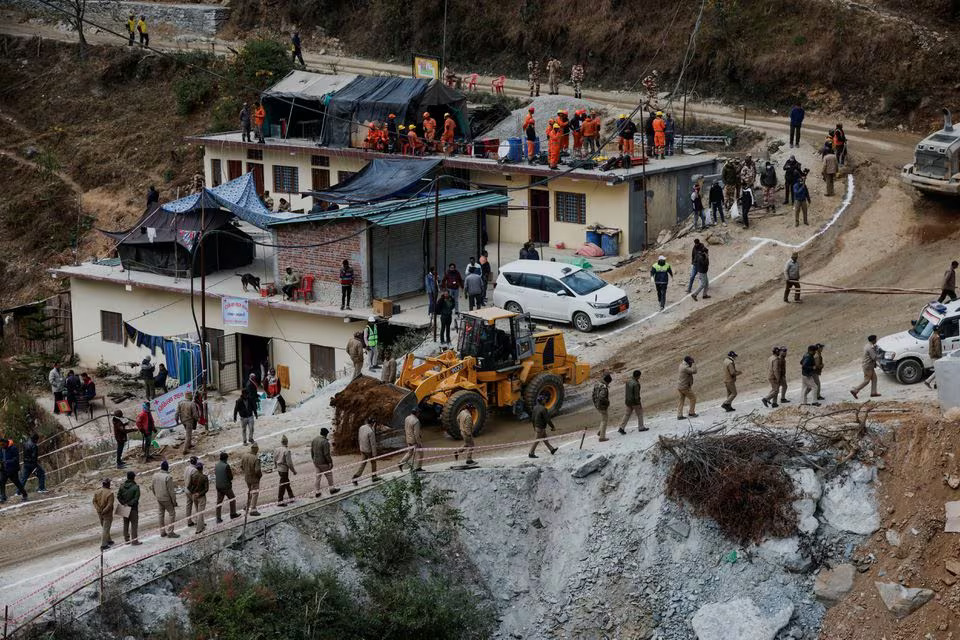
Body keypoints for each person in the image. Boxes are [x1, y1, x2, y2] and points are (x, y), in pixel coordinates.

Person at [151, 460, 179, 538]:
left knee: (161, 514)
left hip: (159, 497)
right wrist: (174, 501)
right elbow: (171, 491)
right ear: (167, 468)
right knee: (172, 513)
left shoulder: (155, 475)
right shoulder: (168, 477)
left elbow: (152, 487)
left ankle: (162, 531)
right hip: (166, 499)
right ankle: (170, 531)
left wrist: (156, 495)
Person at [850, 335, 881, 399]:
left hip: (869, 366)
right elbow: (874, 357)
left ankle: (873, 392)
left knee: (874, 379)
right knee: (867, 380)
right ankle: (855, 390)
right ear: (873, 340)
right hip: (868, 366)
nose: (876, 340)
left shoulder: (867, 345)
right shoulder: (870, 348)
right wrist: (881, 356)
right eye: (875, 339)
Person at [311, 428, 340, 495]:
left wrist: (313, 459)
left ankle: (317, 492)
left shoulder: (315, 439)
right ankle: (332, 489)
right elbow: (326, 454)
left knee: (318, 477)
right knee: (329, 475)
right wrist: (330, 462)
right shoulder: (325, 442)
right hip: (323, 462)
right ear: (326, 434)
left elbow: (312, 451)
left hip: (316, 461)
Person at [352, 419, 382, 483]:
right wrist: (374, 454)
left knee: (363, 463)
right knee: (373, 463)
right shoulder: (371, 431)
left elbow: (359, 438)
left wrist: (360, 448)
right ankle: (374, 477)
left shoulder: (361, 427)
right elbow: (373, 444)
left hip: (362, 449)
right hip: (369, 450)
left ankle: (356, 476)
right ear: (373, 423)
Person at [618, 370, 646, 434]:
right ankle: (641, 427)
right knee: (640, 414)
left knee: (627, 414)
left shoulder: (628, 381)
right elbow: (636, 395)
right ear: (638, 376)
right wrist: (638, 403)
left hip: (628, 401)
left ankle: (621, 427)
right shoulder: (636, 384)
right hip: (634, 402)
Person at [214, 451, 241, 520]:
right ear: (225, 459)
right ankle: (233, 513)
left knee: (219, 502)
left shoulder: (216, 465)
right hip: (226, 486)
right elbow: (230, 477)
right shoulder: (226, 466)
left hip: (218, 486)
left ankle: (218, 517)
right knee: (232, 498)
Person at [0, 438, 27, 503]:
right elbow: (1, 458)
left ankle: (24, 494)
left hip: (12, 469)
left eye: (3, 444)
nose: (2, 445)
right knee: (1, 483)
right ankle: (3, 497)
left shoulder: (13, 448)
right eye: (0, 444)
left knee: (17, 483)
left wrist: (7, 462)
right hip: (4, 470)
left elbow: (16, 459)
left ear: (6, 443)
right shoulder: (2, 449)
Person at [240, 443, 262, 516]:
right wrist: (260, 476)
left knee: (249, 492)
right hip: (254, 478)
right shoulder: (256, 458)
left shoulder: (244, 456)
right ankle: (253, 509)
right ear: (255, 449)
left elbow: (241, 466)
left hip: (247, 477)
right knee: (255, 493)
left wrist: (246, 472)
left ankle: (247, 506)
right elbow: (257, 470)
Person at [93, 479, 115, 551]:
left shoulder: (97, 491)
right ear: (108, 484)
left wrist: (98, 509)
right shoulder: (110, 493)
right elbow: (110, 504)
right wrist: (104, 510)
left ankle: (109, 540)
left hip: (99, 512)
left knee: (104, 527)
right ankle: (103, 544)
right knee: (106, 528)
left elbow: (94, 501)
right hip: (107, 513)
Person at [187, 461, 209, 534]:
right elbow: (206, 489)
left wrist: (193, 493)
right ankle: (199, 529)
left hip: (194, 496)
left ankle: (202, 525)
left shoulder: (193, 475)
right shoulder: (204, 477)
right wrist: (199, 494)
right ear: (202, 468)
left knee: (198, 511)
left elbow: (188, 486)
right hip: (201, 496)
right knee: (200, 513)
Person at [592, 373, 612, 441]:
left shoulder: (597, 384)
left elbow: (593, 395)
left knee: (603, 419)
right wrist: (607, 402)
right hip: (602, 405)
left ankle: (600, 431)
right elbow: (602, 397)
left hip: (597, 404)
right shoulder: (603, 387)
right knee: (604, 420)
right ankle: (602, 437)